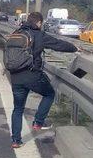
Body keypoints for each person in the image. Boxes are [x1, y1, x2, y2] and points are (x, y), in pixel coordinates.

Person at [10, 11, 77, 149]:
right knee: (49, 94)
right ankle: (38, 122)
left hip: (15, 76)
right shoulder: (39, 35)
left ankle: (16, 140)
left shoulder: (16, 32)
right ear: (39, 23)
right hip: (32, 75)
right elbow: (58, 44)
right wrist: (75, 48)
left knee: (18, 108)